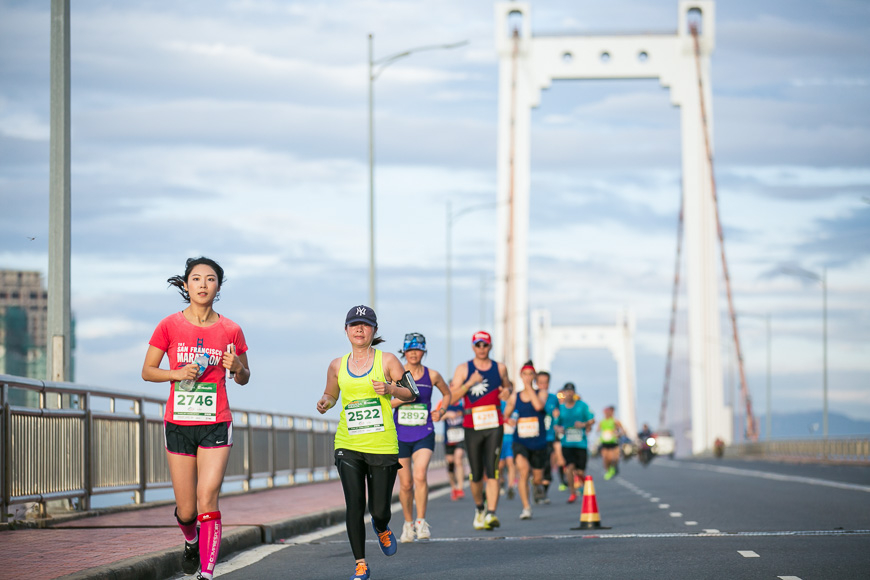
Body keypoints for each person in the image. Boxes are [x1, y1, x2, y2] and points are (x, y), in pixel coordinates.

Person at [141, 257, 250, 580]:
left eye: (211, 279)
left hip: (216, 421)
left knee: (208, 496)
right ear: (186, 285)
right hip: (179, 423)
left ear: (218, 286)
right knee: (187, 509)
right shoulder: (169, 325)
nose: (203, 284)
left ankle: (206, 572)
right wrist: (177, 372)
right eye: (197, 279)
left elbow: (244, 377)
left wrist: (237, 368)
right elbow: (147, 371)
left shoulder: (231, 329)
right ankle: (191, 541)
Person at [316, 306, 418, 580]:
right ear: (346, 330)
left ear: (374, 330)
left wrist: (391, 389)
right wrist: (325, 402)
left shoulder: (388, 361)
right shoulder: (337, 365)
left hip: (382, 444)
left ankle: (382, 526)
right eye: (354, 325)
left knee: (380, 509)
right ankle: (360, 563)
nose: (359, 329)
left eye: (365, 325)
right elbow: (331, 393)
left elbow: (412, 393)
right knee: (354, 504)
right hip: (348, 442)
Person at [392, 332, 451, 543]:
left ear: (423, 351)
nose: (413, 353)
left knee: (420, 475)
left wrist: (441, 411)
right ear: (404, 352)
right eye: (409, 350)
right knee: (406, 483)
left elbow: (447, 394)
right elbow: (385, 402)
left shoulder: (432, 375)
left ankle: (421, 521)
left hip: (424, 432)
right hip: (399, 434)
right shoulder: (395, 374)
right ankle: (408, 524)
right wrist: (403, 397)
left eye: (417, 349)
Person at [451, 330, 511, 531]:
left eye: (485, 345)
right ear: (473, 347)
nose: (482, 348)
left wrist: (507, 391)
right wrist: (469, 383)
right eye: (478, 345)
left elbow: (508, 387)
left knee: (492, 470)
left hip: (494, 423)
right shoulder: (463, 369)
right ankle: (479, 508)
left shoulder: (500, 368)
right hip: (472, 425)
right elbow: (451, 398)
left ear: (490, 346)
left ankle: (491, 513)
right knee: (476, 474)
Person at [502, 361, 547, 520]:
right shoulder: (515, 396)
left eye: (530, 374)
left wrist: (529, 387)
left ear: (534, 376)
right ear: (521, 376)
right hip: (520, 440)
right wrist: (509, 415)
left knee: (537, 477)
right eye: (525, 374)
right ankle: (526, 507)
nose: (527, 377)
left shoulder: (541, 393)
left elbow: (538, 406)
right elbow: (506, 414)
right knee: (523, 471)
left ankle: (537, 486)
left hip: (538, 441)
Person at [553, 383, 594, 503]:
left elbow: (592, 419)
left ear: (574, 393)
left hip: (580, 444)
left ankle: (584, 484)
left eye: (571, 392)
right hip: (567, 443)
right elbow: (555, 424)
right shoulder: (560, 408)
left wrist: (583, 424)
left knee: (580, 471)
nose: (569, 394)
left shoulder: (582, 406)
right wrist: (559, 428)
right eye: (567, 392)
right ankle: (572, 492)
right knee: (569, 467)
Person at [535, 370, 559, 504]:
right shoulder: (531, 396)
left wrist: (557, 417)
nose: (543, 385)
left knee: (547, 464)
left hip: (549, 436)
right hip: (534, 436)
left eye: (546, 383)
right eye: (540, 383)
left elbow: (557, 415)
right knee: (536, 465)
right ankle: (536, 487)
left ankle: (543, 491)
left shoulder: (554, 398)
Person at [441, 399, 467, 501]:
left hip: (461, 438)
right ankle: (454, 488)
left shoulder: (463, 404)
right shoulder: (443, 403)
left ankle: (460, 487)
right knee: (450, 463)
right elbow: (436, 417)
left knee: (458, 459)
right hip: (449, 439)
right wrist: (447, 415)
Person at [498, 384, 518, 500]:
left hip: (511, 437)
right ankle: (501, 480)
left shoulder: (515, 406)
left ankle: (511, 486)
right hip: (500, 437)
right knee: (500, 465)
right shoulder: (499, 404)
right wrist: (506, 420)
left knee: (511, 462)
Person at [598, 405, 625, 480]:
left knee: (615, 458)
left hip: (613, 442)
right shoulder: (602, 422)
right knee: (606, 458)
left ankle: (613, 468)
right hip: (605, 443)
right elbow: (598, 430)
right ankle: (608, 470)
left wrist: (618, 434)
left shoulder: (615, 421)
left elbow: (623, 431)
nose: (607, 414)